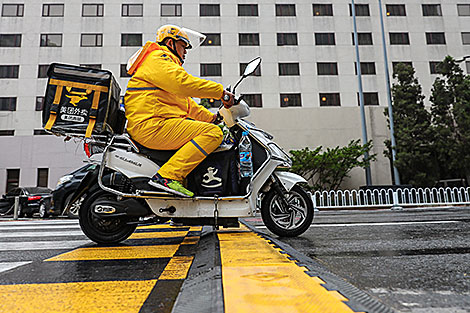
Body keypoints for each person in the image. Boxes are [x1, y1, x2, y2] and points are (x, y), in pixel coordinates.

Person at [124, 25, 234, 197]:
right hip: (152, 126)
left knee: (211, 127)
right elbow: (182, 83)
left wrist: (212, 118)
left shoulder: (162, 65)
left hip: (156, 123)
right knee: (212, 134)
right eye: (183, 46)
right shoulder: (158, 59)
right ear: (170, 42)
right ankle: (167, 177)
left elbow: (186, 104)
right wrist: (220, 92)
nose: (185, 52)